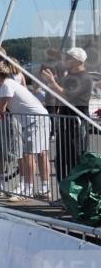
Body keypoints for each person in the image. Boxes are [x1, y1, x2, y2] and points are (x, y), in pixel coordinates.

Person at [0, 61, 51, 199]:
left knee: (29, 154)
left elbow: (1, 110)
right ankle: (43, 188)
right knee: (40, 153)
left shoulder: (5, 85)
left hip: (35, 120)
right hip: (37, 118)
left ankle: (27, 190)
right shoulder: (4, 85)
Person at [41, 47, 92, 183]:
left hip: (76, 124)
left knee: (75, 160)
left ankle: (75, 197)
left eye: (68, 58)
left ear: (76, 61)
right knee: (61, 161)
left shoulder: (85, 78)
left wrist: (52, 82)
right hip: (64, 124)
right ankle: (64, 195)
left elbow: (68, 95)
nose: (65, 60)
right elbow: (60, 95)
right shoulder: (68, 76)